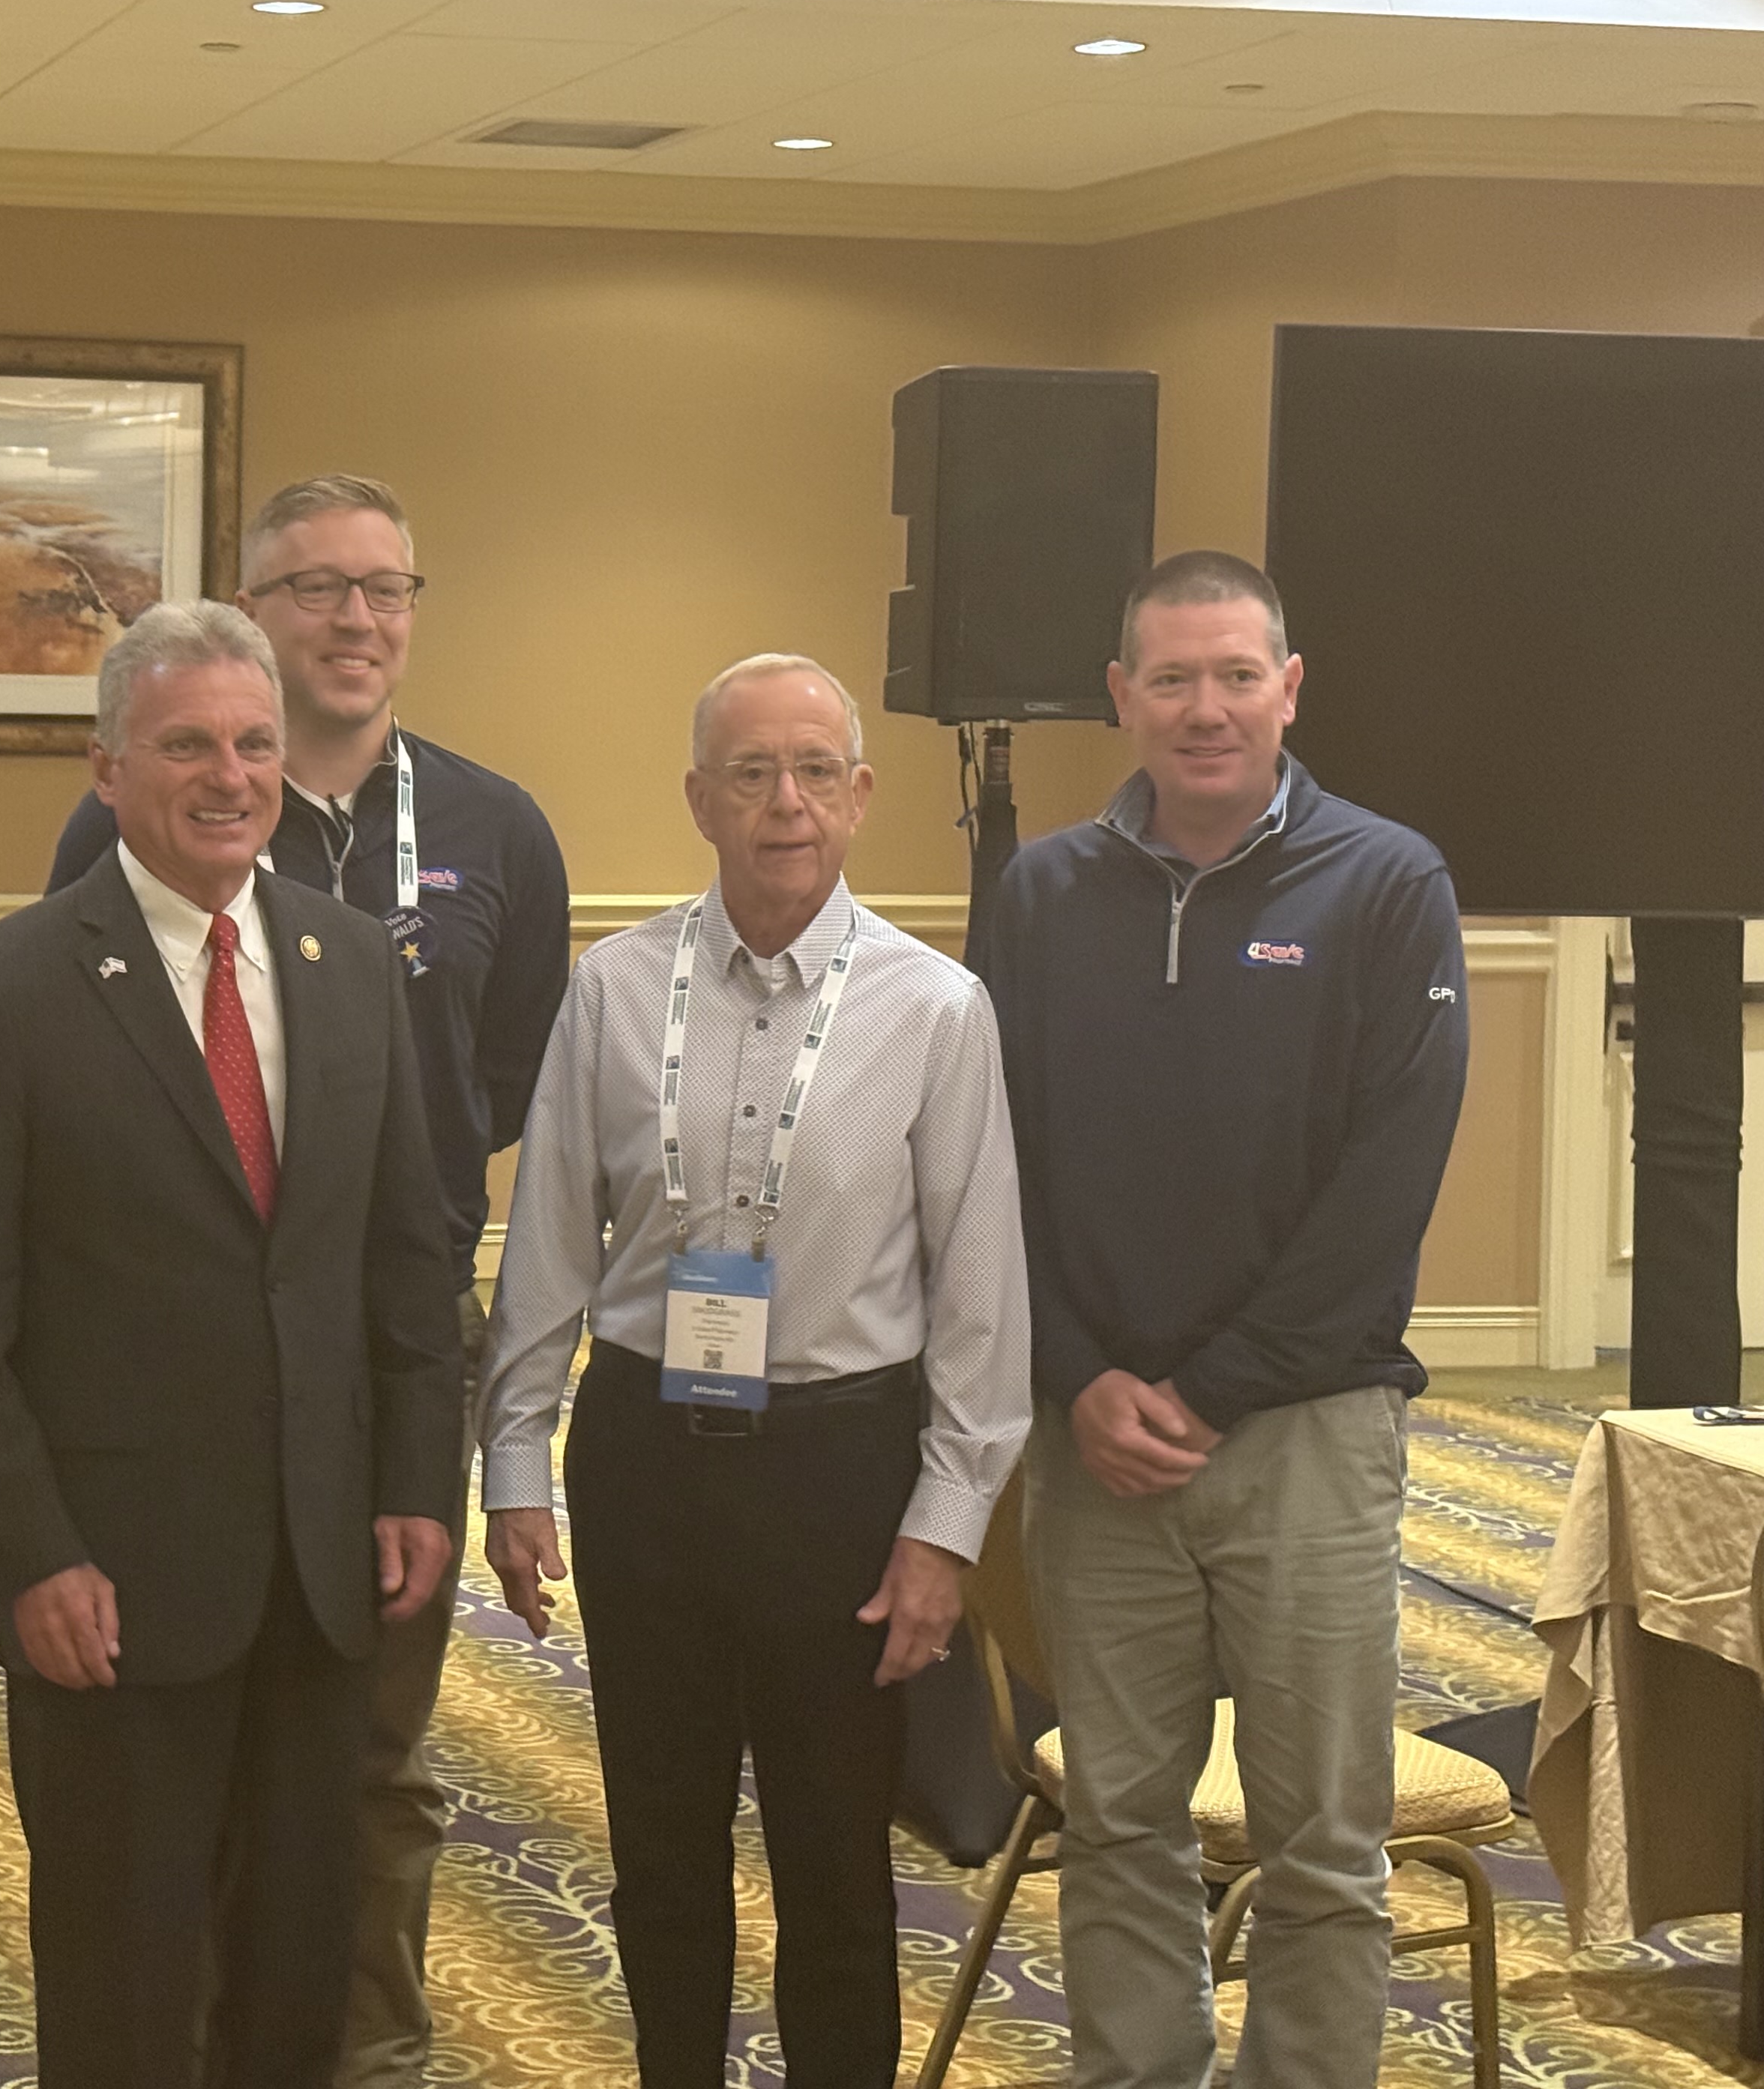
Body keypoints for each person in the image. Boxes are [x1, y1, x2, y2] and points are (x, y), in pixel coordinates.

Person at [0, 600, 463, 2089]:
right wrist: (29, 1557)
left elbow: (406, 1263)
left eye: (256, 744)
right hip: (114, 1587)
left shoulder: (351, 962)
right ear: (107, 771)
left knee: (296, 1976)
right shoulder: (7, 991)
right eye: (188, 745)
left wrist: (418, 1482)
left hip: (325, 1574)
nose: (230, 777)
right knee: (128, 1986)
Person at [47, 473, 568, 2084]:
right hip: (182, 1365)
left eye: (385, 588)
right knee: (196, 1734)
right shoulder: (132, 818)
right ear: (251, 611)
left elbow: (508, 1079)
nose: (356, 620)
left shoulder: (495, 829)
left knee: (370, 1750)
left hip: (391, 1347)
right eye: (317, 588)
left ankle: (369, 2053)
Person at [482, 654, 1029, 2088]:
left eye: (813, 772)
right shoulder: (614, 988)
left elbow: (982, 1299)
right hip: (643, 1458)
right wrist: (514, 1461)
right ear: (699, 800)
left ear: (859, 795)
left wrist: (946, 1530)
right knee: (660, 1854)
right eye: (750, 774)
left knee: (833, 1864)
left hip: (840, 1475)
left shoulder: (935, 1009)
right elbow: (547, 1243)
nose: (785, 802)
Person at [975, 551, 1466, 2089]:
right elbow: (995, 1165)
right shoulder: (1042, 894)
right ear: (1122, 697)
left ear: (1289, 689)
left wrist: (1210, 1390)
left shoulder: (1388, 883)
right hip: (1097, 1444)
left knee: (1322, 1844)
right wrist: (1078, 1377)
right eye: (1173, 679)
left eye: (1237, 676)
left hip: (1308, 1437)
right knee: (1121, 1824)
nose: (1207, 709)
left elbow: (1386, 1187)